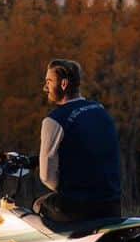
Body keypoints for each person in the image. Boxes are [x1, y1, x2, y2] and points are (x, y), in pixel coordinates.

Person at [33, 58, 122, 223]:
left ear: (63, 84)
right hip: (112, 206)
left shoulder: (54, 120)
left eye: (49, 82)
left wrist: (70, 189)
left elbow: (47, 176)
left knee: (37, 206)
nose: (45, 88)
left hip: (79, 209)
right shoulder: (100, 111)